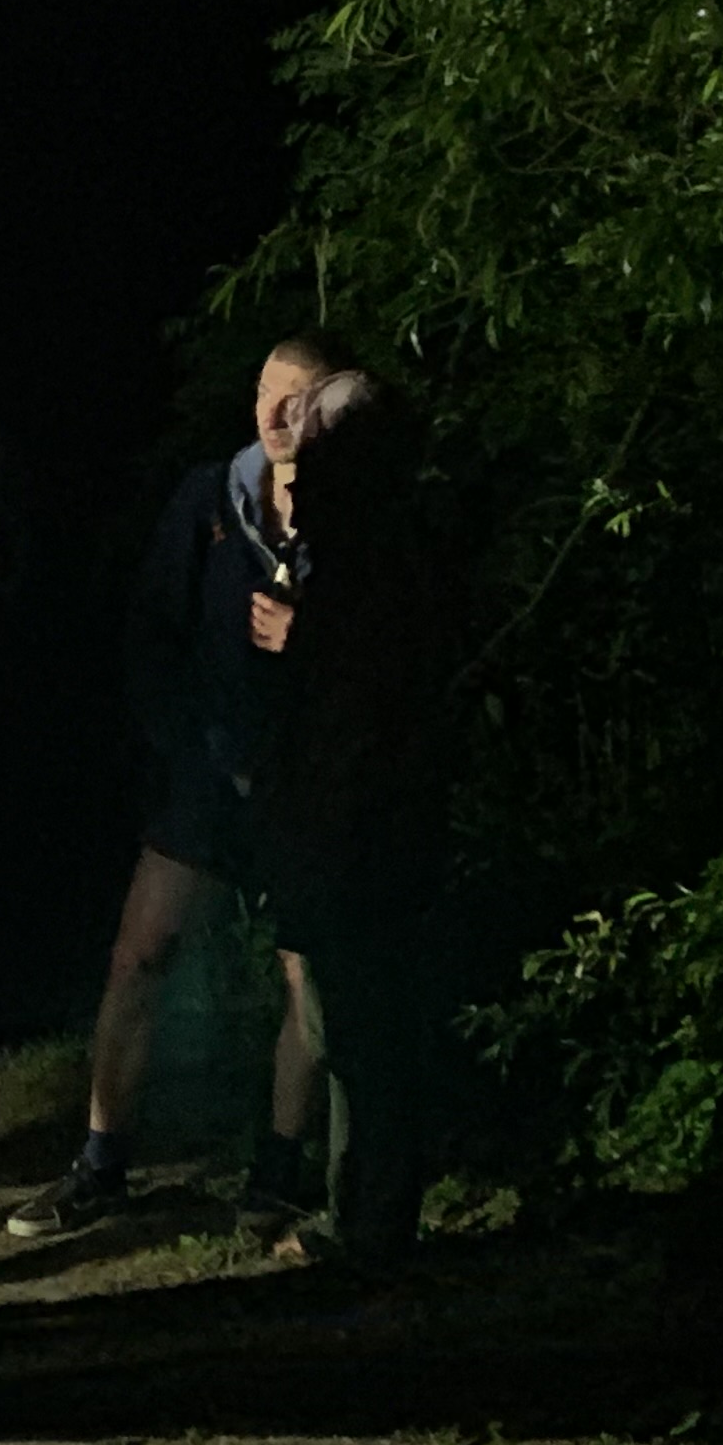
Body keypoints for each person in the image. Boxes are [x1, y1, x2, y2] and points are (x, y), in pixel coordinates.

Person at [7, 333, 343, 1244]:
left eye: (300, 400)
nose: (278, 416)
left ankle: (277, 1173)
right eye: (267, 394)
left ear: (334, 408)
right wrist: (182, 745)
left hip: (298, 785)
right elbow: (152, 628)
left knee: (305, 981)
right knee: (139, 952)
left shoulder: (350, 514)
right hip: (203, 775)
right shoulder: (211, 499)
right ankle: (100, 1163)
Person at [250, 373, 465, 1261]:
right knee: (353, 1026)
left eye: (321, 447)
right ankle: (363, 1211)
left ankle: (372, 1223)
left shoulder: (374, 564)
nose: (300, 469)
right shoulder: (359, 559)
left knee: (367, 1030)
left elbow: (366, 711)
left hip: (361, 837)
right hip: (354, 833)